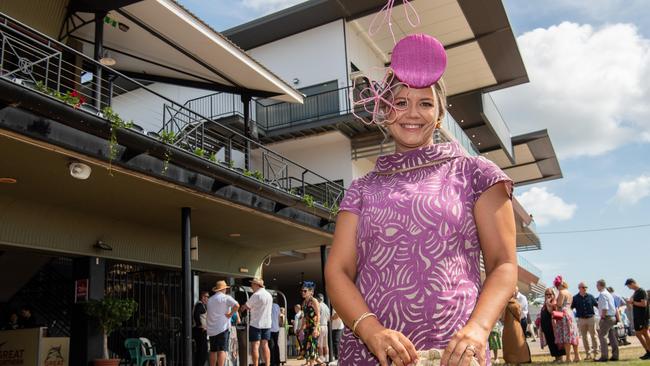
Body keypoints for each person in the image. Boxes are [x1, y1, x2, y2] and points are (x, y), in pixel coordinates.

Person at [325, 33, 517, 366]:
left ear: (440, 113)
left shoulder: (475, 173)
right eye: (400, 102)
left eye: (425, 103)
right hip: (372, 356)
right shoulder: (361, 189)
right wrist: (371, 332)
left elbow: (503, 264)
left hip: (453, 355)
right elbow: (338, 271)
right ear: (385, 111)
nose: (412, 112)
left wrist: (478, 329)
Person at [241, 278, 272, 366]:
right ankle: (267, 364)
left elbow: (246, 306)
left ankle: (255, 365)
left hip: (256, 324)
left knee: (255, 346)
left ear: (256, 285)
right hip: (267, 324)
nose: (251, 286)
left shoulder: (256, 295)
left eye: (252, 284)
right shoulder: (269, 295)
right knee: (265, 345)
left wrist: (241, 308)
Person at [207, 281, 240, 366]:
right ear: (224, 289)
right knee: (222, 350)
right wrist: (230, 314)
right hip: (222, 328)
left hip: (212, 329)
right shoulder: (226, 298)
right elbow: (237, 305)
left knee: (213, 350)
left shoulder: (210, 300)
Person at [552, 276, 580, 362]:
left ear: (558, 285)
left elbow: (559, 304)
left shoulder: (561, 292)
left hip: (563, 314)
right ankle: (577, 356)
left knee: (566, 336)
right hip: (570, 314)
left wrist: (554, 302)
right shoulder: (569, 293)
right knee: (573, 335)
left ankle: (568, 357)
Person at [502, 292, 532, 364]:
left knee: (508, 344)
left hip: (507, 327)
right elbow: (519, 315)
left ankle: (508, 361)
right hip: (516, 326)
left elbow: (502, 317)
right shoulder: (516, 304)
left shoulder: (504, 304)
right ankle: (519, 361)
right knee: (518, 344)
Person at [572, 281, 599, 360]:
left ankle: (596, 353)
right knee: (584, 337)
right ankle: (588, 354)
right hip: (581, 319)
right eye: (583, 287)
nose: (585, 289)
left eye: (586, 287)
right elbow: (571, 308)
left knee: (594, 336)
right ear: (579, 288)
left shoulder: (591, 296)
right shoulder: (575, 298)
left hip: (591, 318)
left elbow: (597, 305)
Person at [625, 278, 650, 359]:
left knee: (645, 333)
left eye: (629, 285)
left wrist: (632, 302)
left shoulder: (641, 291)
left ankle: (648, 352)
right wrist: (630, 302)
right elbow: (633, 303)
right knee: (639, 334)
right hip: (637, 317)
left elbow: (644, 304)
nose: (629, 288)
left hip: (643, 316)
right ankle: (647, 351)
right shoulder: (636, 292)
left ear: (632, 283)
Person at [539, 288, 566, 362]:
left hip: (553, 326)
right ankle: (556, 357)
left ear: (553, 294)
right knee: (550, 342)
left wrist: (548, 303)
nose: (548, 296)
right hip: (547, 326)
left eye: (550, 294)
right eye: (546, 294)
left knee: (555, 341)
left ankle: (560, 358)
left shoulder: (554, 302)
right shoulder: (545, 303)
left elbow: (551, 312)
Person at [596, 279, 619, 362]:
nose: (596, 287)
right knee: (612, 337)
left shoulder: (602, 294)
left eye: (597, 285)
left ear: (600, 285)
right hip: (612, 317)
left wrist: (602, 318)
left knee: (602, 336)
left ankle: (604, 356)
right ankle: (615, 355)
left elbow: (605, 308)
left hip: (606, 317)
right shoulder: (609, 294)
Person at [300, 281, 321, 366]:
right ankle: (321, 363)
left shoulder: (314, 301)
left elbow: (318, 315)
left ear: (311, 292)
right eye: (302, 291)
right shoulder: (304, 303)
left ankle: (312, 364)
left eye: (305, 291)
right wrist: (301, 329)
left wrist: (316, 328)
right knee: (307, 347)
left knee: (312, 347)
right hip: (308, 328)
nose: (303, 292)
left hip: (314, 327)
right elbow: (304, 317)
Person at [193, 291, 209, 366]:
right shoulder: (199, 305)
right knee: (202, 351)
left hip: (201, 330)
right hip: (200, 331)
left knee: (202, 350)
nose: (207, 299)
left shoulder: (201, 305)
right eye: (207, 297)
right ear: (203, 297)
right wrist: (200, 325)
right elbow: (196, 315)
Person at [316, 293, 330, 363]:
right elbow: (328, 319)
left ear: (318, 299)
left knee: (320, 344)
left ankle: (321, 359)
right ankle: (327, 358)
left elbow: (317, 317)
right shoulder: (326, 306)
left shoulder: (318, 305)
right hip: (326, 326)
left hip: (320, 326)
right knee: (326, 344)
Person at [270, 296, 281, 366]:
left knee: (271, 346)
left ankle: (272, 362)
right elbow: (279, 317)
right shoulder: (277, 306)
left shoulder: (268, 306)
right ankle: (278, 361)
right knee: (276, 345)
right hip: (276, 328)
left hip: (270, 328)